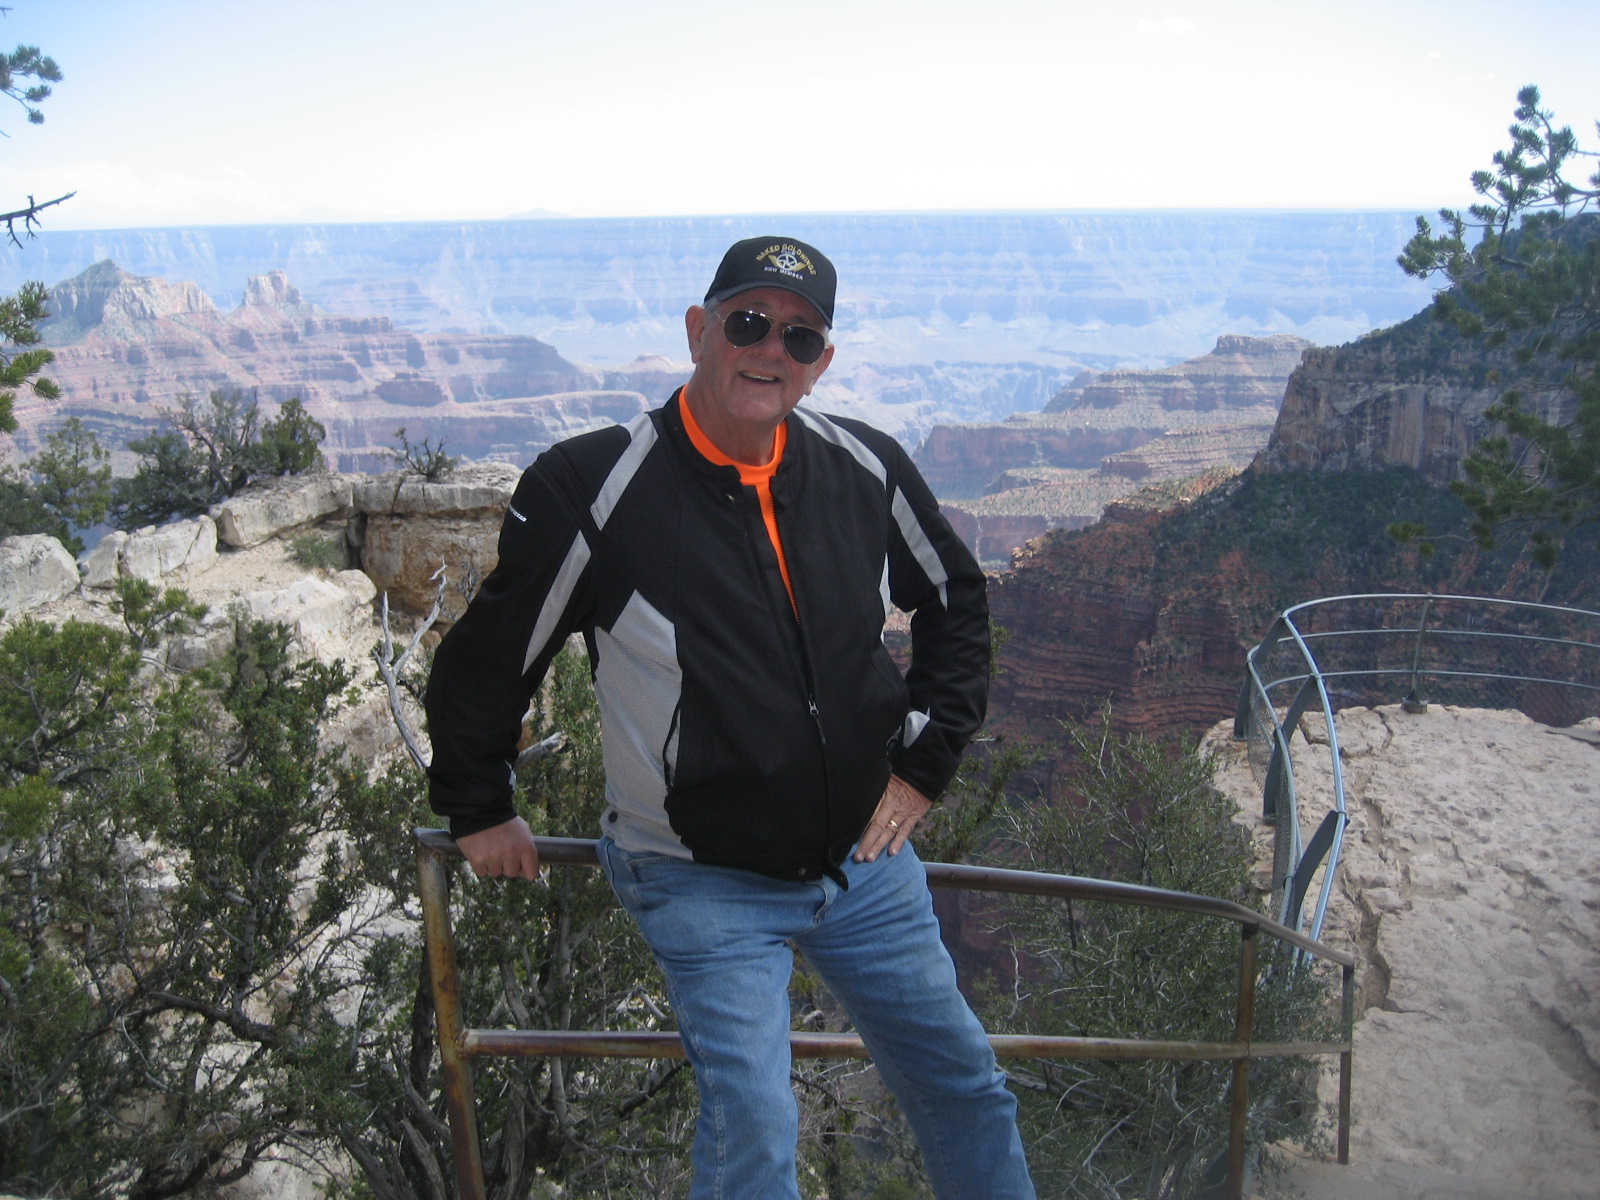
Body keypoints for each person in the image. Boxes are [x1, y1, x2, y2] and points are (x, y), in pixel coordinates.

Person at [424, 235, 1034, 1198]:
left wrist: (925, 764)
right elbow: (493, 654)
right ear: (698, 330)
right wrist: (478, 804)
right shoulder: (593, 486)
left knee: (967, 1086)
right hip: (698, 872)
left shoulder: (864, 464)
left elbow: (955, 598)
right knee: (754, 1123)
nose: (770, 350)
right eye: (748, 323)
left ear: (821, 361)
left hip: (864, 863)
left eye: (800, 337)